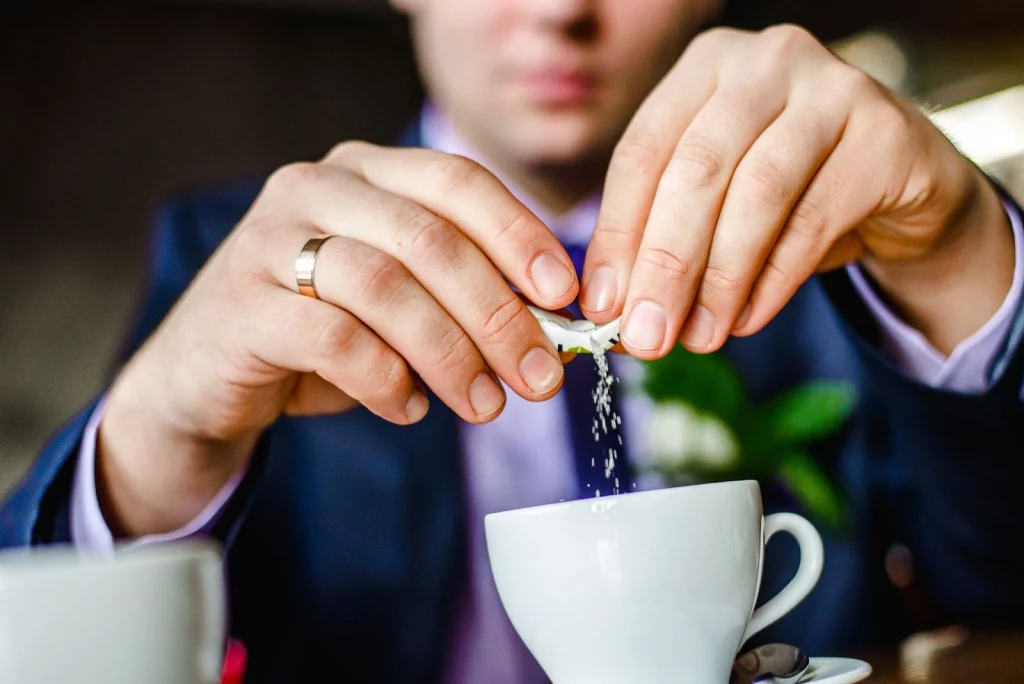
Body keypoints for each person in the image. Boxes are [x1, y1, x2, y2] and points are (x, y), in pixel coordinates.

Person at [3, 0, 1024, 681]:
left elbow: (996, 594)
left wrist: (960, 255)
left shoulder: (847, 256)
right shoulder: (230, 258)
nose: (558, 13)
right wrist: (155, 440)